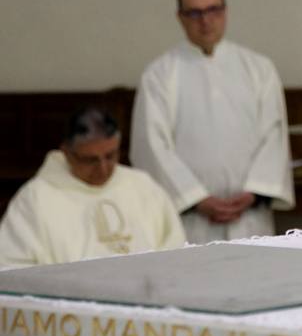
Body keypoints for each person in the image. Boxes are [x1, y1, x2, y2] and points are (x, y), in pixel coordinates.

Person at [130, 0, 294, 242]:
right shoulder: (160, 74)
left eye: (213, 10)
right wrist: (195, 198)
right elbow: (151, 144)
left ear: (225, 11)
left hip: (249, 215)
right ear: (180, 17)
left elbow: (274, 135)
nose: (205, 20)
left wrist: (255, 192)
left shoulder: (258, 68)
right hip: (191, 219)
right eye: (195, 13)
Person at [0, 107, 185, 268]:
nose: (103, 168)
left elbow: (175, 250)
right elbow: (12, 266)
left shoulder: (142, 186)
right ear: (67, 153)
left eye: (110, 156)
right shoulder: (35, 199)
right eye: (90, 160)